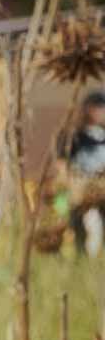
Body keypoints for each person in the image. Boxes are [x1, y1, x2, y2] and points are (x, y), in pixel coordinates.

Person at [62, 91, 105, 255]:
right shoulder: (75, 135)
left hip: (102, 189)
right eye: (98, 108)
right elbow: (62, 162)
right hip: (80, 188)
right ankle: (80, 258)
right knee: (78, 226)